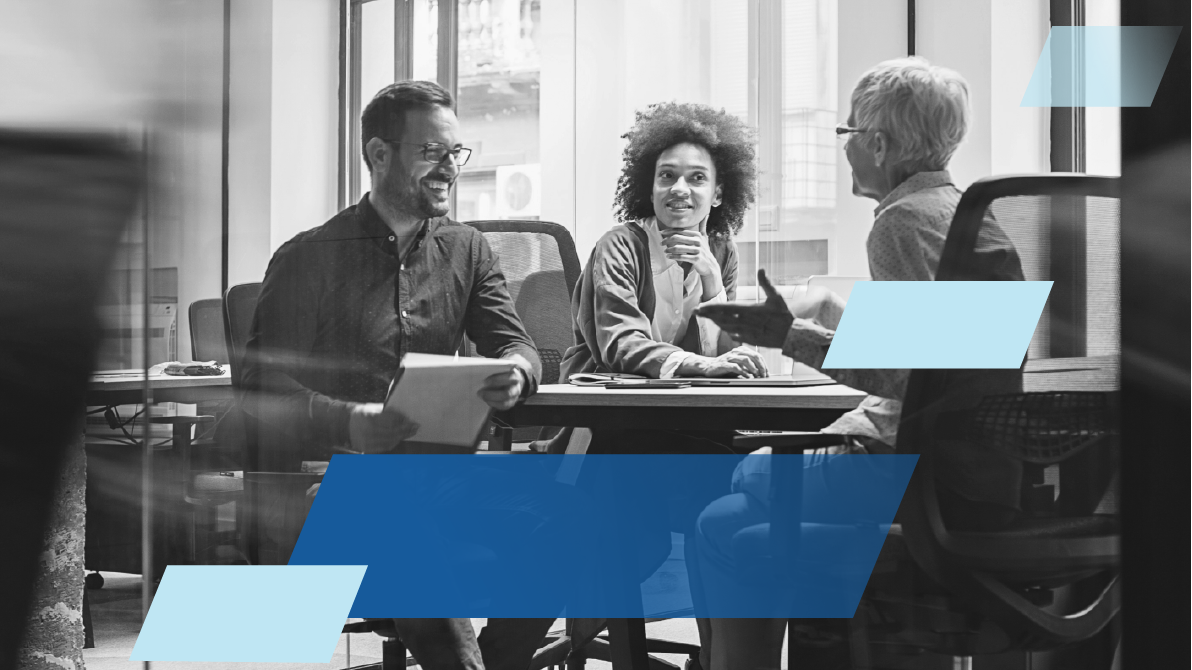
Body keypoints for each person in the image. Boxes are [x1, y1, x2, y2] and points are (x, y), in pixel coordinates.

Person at [693, 58, 1027, 669]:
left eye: (847, 134)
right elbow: (963, 356)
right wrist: (828, 316)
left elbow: (918, 374)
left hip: (919, 477)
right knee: (727, 521)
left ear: (877, 143)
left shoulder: (900, 221)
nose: (844, 148)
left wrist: (790, 336)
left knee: (743, 482)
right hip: (982, 475)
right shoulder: (967, 217)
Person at [241, 80, 582, 670]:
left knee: (569, 526)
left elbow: (516, 342)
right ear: (378, 155)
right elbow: (258, 387)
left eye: (455, 153)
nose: (449, 168)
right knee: (405, 524)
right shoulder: (308, 257)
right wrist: (350, 421)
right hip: (332, 479)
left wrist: (517, 372)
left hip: (441, 472)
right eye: (432, 153)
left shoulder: (467, 250)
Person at [552, 101, 766, 647]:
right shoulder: (619, 246)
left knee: (737, 496)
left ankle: (723, 653)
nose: (681, 190)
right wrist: (706, 366)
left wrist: (716, 286)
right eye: (667, 176)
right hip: (611, 432)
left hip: (684, 427)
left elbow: (736, 360)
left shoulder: (720, 249)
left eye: (698, 179)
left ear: (718, 194)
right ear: (647, 185)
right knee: (650, 513)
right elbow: (622, 344)